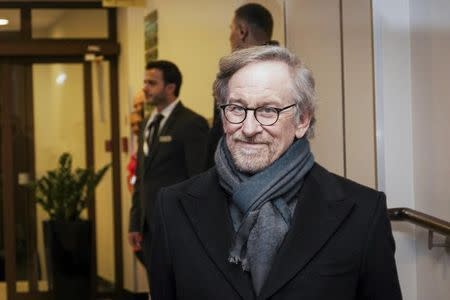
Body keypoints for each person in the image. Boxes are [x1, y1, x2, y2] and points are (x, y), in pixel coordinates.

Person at [150, 46, 402, 299]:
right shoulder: (173, 207)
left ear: (302, 120)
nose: (249, 128)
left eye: (268, 111)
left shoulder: (362, 212)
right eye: (237, 108)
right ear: (223, 117)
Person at [128, 60, 209, 286]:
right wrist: (135, 222)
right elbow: (141, 176)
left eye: (152, 83)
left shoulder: (192, 123)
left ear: (170, 88)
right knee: (158, 286)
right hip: (149, 226)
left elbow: (199, 178)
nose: (144, 88)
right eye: (145, 82)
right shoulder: (146, 124)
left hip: (178, 225)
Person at [207, 3, 279, 167]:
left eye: (231, 29)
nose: (229, 36)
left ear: (242, 31)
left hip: (239, 170)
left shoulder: (233, 74)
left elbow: (220, 133)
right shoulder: (289, 72)